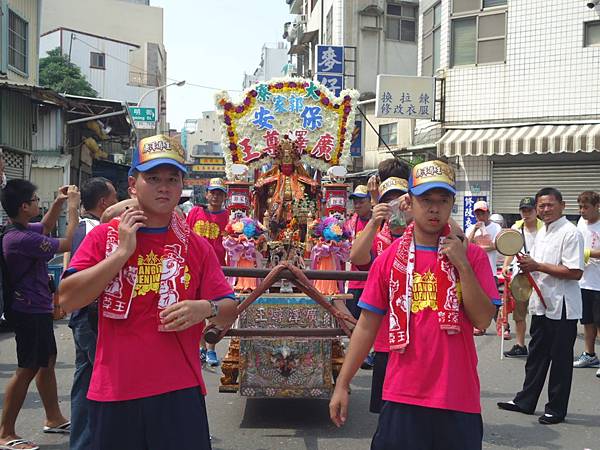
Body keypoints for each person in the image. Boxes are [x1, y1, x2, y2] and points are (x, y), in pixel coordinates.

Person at [59, 134, 238, 450]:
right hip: (115, 390)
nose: (164, 187)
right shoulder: (105, 237)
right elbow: (66, 299)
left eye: (172, 178)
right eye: (153, 178)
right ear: (133, 184)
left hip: (179, 390)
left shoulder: (195, 246)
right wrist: (120, 254)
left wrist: (204, 308)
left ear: (182, 185)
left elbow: (228, 307)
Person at [330, 160, 497, 450]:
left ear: (452, 204)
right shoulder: (388, 260)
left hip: (458, 397)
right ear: (411, 202)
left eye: (442, 200)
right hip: (401, 395)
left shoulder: (473, 257)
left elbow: (483, 320)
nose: (434, 208)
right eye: (426, 200)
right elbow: (367, 327)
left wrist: (463, 266)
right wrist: (342, 384)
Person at [0, 181, 80, 450]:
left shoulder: (21, 229)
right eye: (35, 199)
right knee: (27, 369)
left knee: (47, 361)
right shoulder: (21, 239)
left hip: (38, 307)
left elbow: (45, 226)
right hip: (28, 311)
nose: (38, 203)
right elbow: (67, 242)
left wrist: (58, 201)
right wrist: (72, 210)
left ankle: (53, 417)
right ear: (24, 207)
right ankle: (5, 432)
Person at [498, 187, 584, 425]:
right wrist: (522, 268)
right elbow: (534, 265)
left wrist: (537, 266)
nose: (545, 210)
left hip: (563, 306)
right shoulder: (542, 231)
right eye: (541, 206)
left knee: (560, 360)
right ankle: (525, 400)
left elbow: (575, 272)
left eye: (550, 205)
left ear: (562, 205)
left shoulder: (570, 232)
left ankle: (556, 409)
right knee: (536, 355)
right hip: (542, 304)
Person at [349, 175, 409, 414]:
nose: (396, 205)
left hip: (420, 337)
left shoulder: (426, 234)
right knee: (387, 413)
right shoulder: (379, 237)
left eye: (400, 200)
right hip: (386, 337)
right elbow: (357, 257)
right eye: (389, 201)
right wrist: (375, 222)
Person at [67, 177, 117, 450]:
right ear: (104, 202)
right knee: (101, 383)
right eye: (115, 196)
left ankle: (83, 443)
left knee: (84, 382)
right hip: (91, 316)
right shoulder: (95, 231)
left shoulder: (83, 227)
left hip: (83, 315)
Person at [186, 177, 230, 367]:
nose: (215, 196)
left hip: (218, 269)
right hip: (194, 267)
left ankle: (211, 348)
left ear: (224, 197)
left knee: (214, 310)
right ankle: (200, 347)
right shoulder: (195, 212)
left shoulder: (229, 217)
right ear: (207, 194)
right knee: (197, 308)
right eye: (213, 192)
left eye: (220, 193)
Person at [502, 197, 543, 358]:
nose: (526, 214)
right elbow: (511, 249)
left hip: (539, 276)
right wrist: (506, 266)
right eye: (523, 210)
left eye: (529, 210)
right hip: (520, 276)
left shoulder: (544, 229)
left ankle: (540, 344)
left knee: (539, 313)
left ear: (536, 211)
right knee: (520, 313)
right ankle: (520, 344)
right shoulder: (516, 228)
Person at [573, 191, 600, 376]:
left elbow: (586, 250)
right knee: (588, 321)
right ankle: (590, 355)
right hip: (583, 282)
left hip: (599, 283)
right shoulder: (581, 223)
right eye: (580, 207)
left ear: (596, 206)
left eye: (586, 207)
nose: (582, 211)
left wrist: (588, 253)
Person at [466, 200, 502, 336]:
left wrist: (478, 247)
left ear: (488, 213)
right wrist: (475, 229)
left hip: (491, 269)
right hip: (475, 271)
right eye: (477, 214)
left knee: (494, 301)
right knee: (478, 300)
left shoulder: (496, 228)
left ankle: (502, 325)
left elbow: (496, 245)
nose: (480, 216)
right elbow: (466, 246)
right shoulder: (471, 228)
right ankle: (480, 326)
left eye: (483, 213)